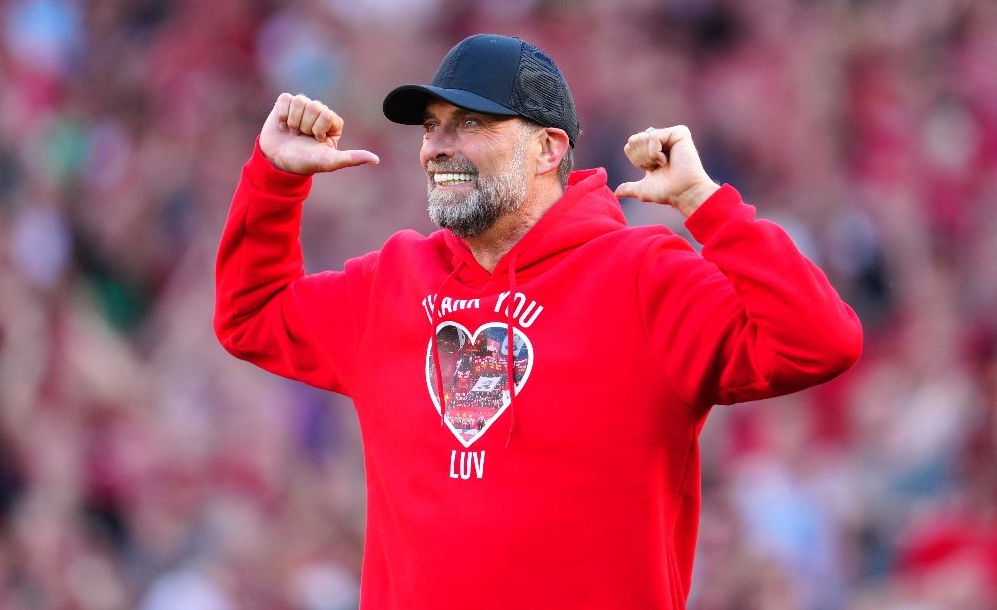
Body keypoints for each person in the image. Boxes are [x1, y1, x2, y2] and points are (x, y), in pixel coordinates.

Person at [214, 34, 862, 609]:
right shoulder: (392, 280)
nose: (439, 146)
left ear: (549, 147)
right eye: (431, 127)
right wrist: (274, 181)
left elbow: (818, 342)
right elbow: (250, 315)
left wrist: (705, 204)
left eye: (469, 123)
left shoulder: (642, 276)